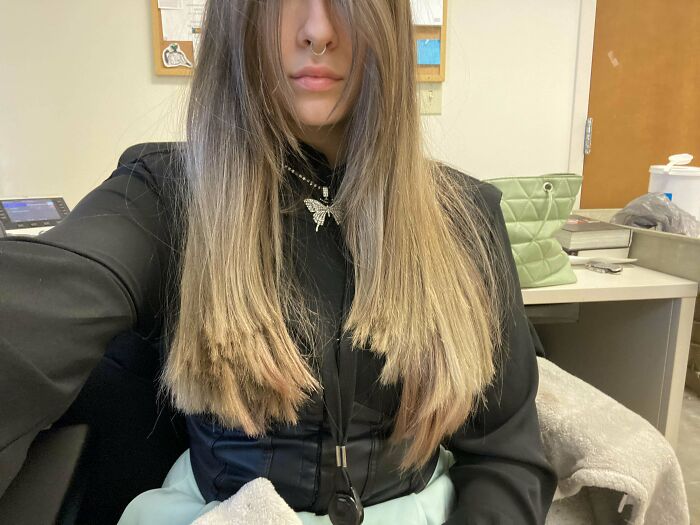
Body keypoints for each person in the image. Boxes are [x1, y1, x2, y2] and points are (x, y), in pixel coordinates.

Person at [0, 0, 558, 524]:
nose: (317, 31)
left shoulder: (464, 215)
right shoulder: (164, 195)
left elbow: (507, 455)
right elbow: (32, 315)